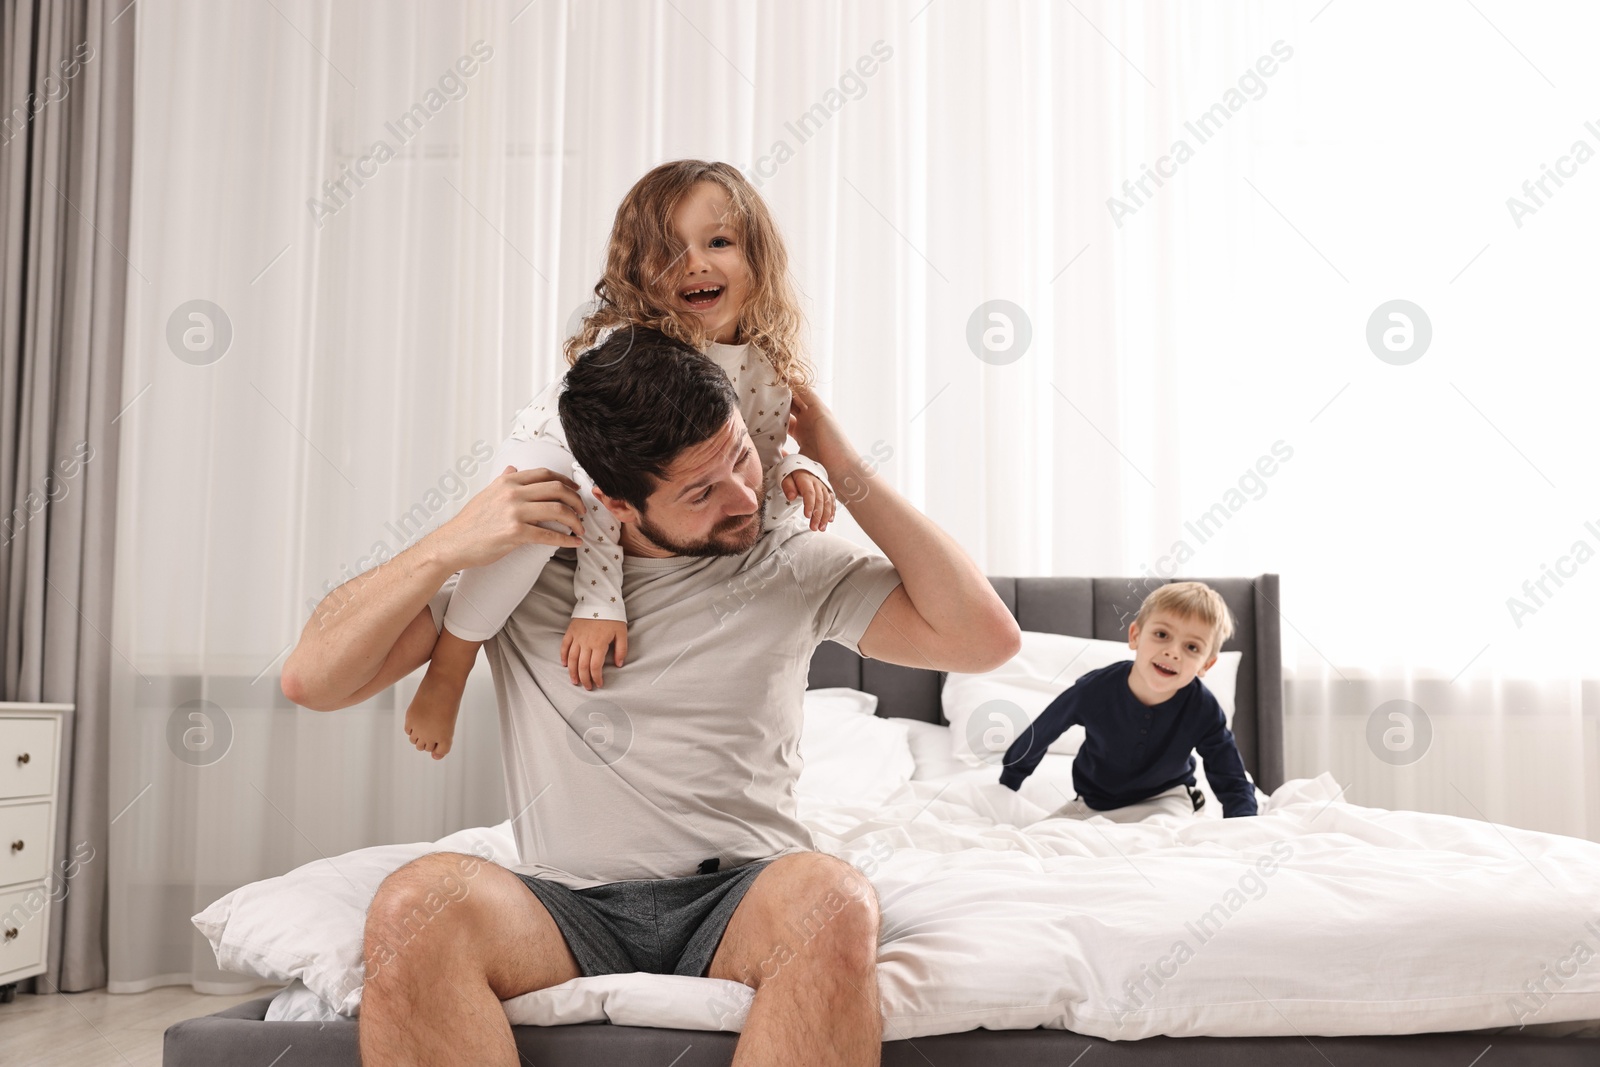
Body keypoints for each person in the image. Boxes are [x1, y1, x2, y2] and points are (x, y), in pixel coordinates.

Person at [279, 327, 1021, 1067]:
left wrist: (843, 462)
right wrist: (447, 543)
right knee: (413, 906)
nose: (742, 496)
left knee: (833, 899)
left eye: (739, 455)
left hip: (741, 896)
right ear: (618, 504)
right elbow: (312, 679)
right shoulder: (523, 573)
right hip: (562, 906)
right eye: (700, 491)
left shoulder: (786, 559)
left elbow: (986, 640)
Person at [403, 159, 836, 760]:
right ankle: (450, 665)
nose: (697, 263)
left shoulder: (765, 369)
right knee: (536, 522)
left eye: (719, 242)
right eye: (669, 251)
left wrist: (799, 470)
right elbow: (606, 489)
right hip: (561, 452)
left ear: (757, 258)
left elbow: (757, 453)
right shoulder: (636, 352)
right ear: (638, 273)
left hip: (618, 482)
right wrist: (599, 601)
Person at [998, 581, 1258, 822]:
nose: (1172, 652)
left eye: (1192, 647)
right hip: (1094, 802)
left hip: (1167, 799)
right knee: (1045, 839)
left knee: (1160, 840)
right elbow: (1045, 728)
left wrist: (1244, 824)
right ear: (1135, 636)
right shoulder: (1096, 689)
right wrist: (1010, 780)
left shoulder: (1203, 709)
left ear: (1207, 664)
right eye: (1162, 635)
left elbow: (1229, 774)